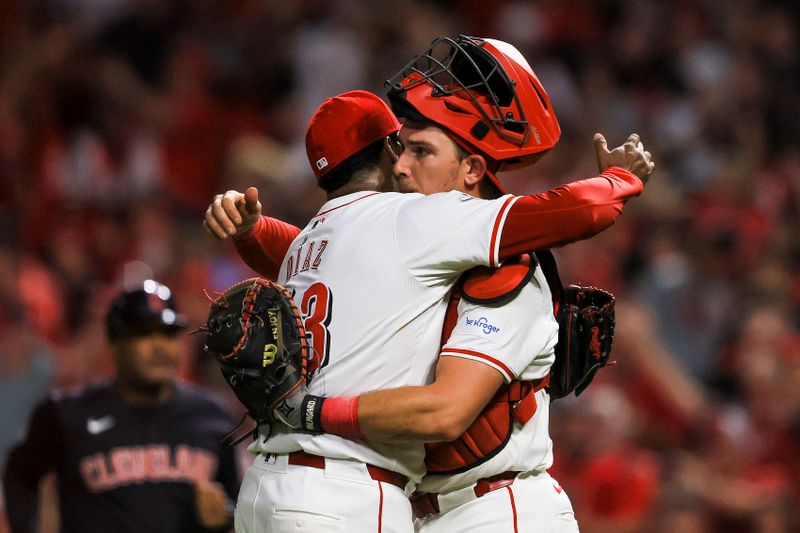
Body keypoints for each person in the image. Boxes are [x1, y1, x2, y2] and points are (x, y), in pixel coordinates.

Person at [204, 37, 652, 532]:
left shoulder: (502, 265)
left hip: (495, 510)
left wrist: (313, 413)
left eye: (421, 151)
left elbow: (444, 413)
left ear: (471, 170)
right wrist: (252, 231)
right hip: (412, 509)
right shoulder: (415, 240)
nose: (400, 165)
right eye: (401, 147)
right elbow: (332, 252)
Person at [3, 280, 240, 533]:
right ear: (115, 344)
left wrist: (225, 518)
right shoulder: (68, 413)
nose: (159, 346)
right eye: (144, 334)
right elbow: (20, 476)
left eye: (168, 334)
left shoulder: (214, 417)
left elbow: (237, 506)